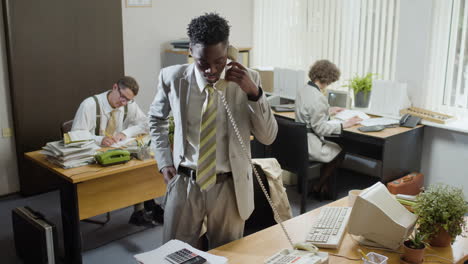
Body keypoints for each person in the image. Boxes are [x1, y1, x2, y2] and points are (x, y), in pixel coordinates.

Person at [148, 13, 277, 249]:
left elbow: (267, 136)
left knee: (228, 255)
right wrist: (164, 160)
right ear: (190, 51)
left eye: (219, 61)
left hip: (231, 186)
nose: (211, 70)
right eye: (202, 62)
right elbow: (156, 119)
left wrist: (253, 93)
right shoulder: (173, 78)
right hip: (186, 182)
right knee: (175, 254)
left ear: (228, 50)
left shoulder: (249, 79)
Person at [71, 76, 164, 227]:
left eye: (128, 100)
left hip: (117, 153)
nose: (124, 103)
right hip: (93, 158)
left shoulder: (128, 104)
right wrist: (98, 139)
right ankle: (145, 206)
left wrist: (125, 133)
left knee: (143, 161)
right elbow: (75, 135)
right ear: (115, 87)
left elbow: (146, 124)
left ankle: (144, 207)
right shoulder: (89, 105)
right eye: (122, 97)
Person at [295, 60, 361, 200]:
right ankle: (319, 186)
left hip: (300, 142)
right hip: (311, 144)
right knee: (341, 150)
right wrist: (345, 124)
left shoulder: (304, 90)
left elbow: (309, 112)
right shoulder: (318, 97)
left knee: (335, 148)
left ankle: (322, 186)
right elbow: (320, 128)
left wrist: (328, 111)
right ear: (329, 78)